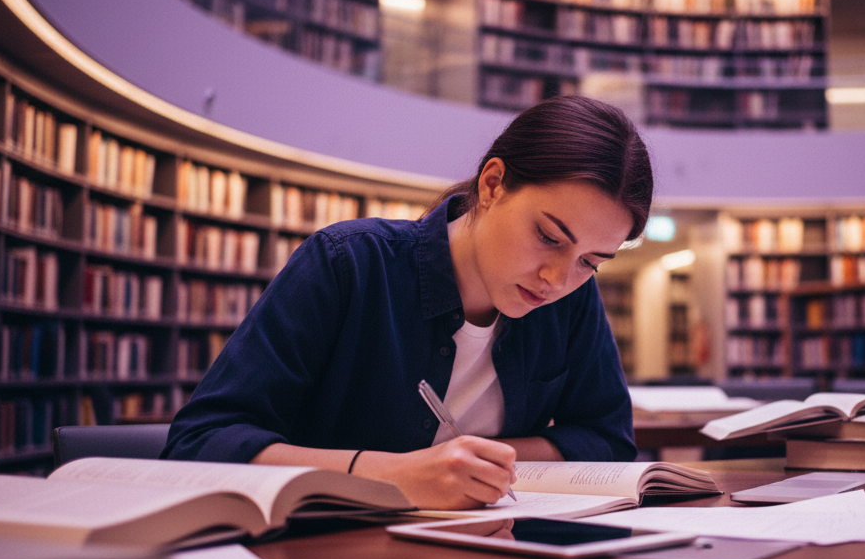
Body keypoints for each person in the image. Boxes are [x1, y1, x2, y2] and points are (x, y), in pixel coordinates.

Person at [162, 96, 654, 510]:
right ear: (492, 184)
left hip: (491, 558)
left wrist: (474, 461)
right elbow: (199, 444)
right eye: (548, 236)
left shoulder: (572, 299)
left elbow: (607, 441)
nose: (557, 278)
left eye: (591, 261)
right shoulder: (347, 264)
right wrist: (393, 472)